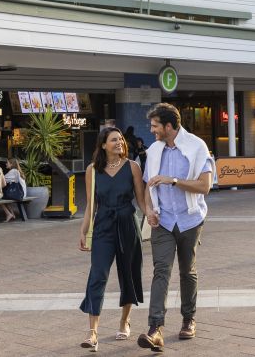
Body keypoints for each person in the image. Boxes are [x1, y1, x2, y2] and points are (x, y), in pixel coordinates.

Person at [138, 103, 213, 352]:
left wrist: (174, 180)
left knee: (187, 271)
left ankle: (188, 319)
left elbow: (205, 186)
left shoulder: (196, 147)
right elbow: (150, 185)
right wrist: (149, 210)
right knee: (161, 270)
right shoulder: (155, 150)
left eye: (155, 126)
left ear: (169, 126)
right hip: (164, 221)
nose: (152, 130)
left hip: (190, 220)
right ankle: (155, 328)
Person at [79, 127, 147, 351]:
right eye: (113, 140)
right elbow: (91, 205)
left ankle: (124, 321)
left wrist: (152, 216)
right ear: (103, 145)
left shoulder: (133, 167)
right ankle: (92, 333)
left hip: (128, 223)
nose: (119, 143)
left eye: (120, 139)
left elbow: (141, 200)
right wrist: (83, 230)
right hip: (103, 226)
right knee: (97, 275)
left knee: (128, 274)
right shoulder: (92, 170)